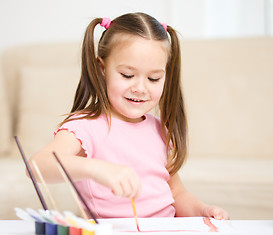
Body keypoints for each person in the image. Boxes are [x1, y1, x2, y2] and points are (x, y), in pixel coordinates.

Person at [29, 12, 229, 220]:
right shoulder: (84, 127)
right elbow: (36, 166)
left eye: (153, 78)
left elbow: (177, 194)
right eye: (127, 75)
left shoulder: (160, 129)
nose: (140, 88)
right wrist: (95, 169)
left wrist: (202, 210)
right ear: (102, 68)